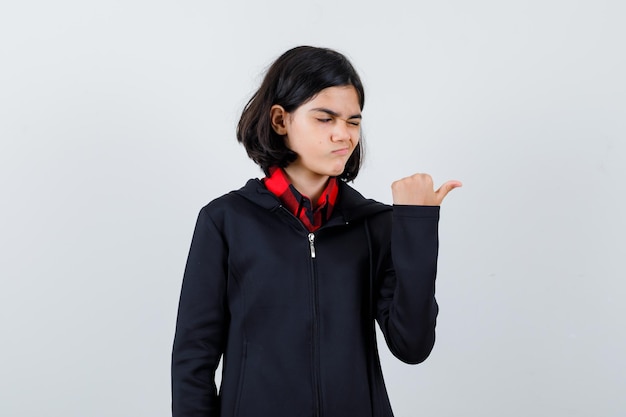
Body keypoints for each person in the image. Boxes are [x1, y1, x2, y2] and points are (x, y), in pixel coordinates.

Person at [171, 45, 461, 417]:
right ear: (281, 121)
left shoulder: (373, 224)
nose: (344, 134)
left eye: (353, 121)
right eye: (325, 118)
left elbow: (413, 345)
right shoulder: (226, 221)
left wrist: (416, 226)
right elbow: (193, 359)